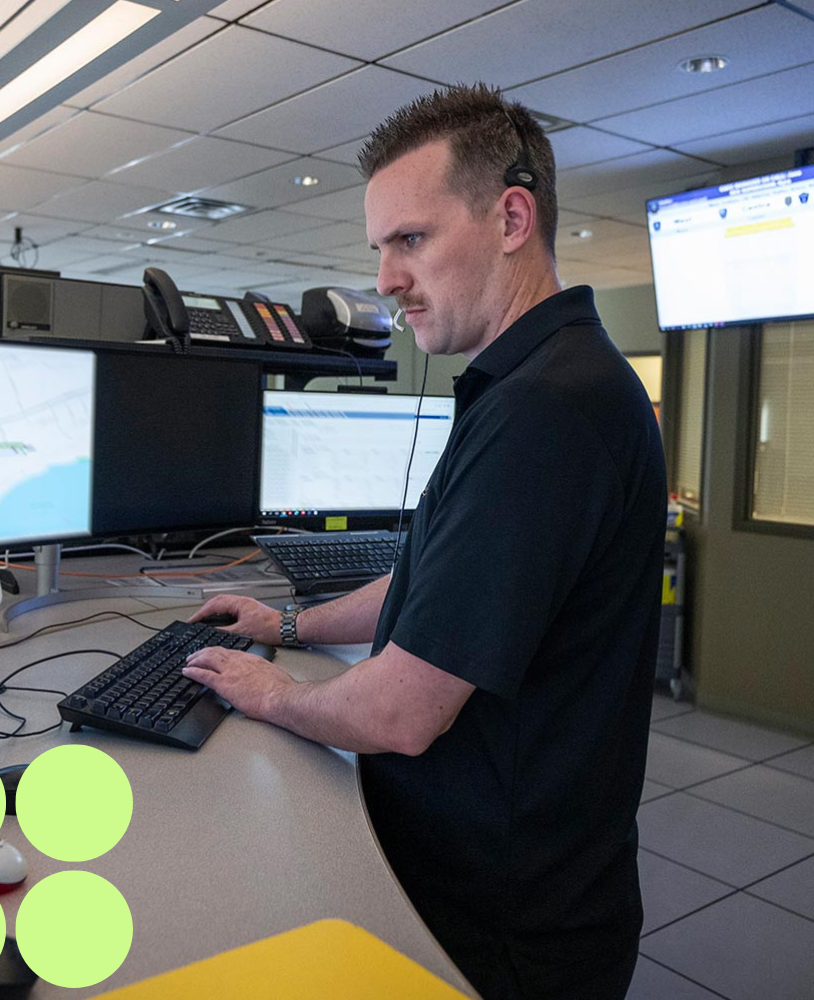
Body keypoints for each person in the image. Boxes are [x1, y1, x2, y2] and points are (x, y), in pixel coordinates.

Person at [181, 84, 667, 1000]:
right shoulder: (548, 377)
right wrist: (289, 627)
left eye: (411, 240)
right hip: (514, 882)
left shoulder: (546, 411)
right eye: (381, 249)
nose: (386, 279)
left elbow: (400, 712)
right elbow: (433, 581)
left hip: (505, 924)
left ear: (512, 217)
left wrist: (270, 692)